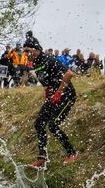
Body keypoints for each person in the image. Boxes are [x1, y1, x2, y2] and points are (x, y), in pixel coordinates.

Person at [22, 35, 79, 169]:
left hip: (67, 95)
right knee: (39, 123)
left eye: (27, 51)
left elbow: (69, 74)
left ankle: (72, 153)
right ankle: (42, 158)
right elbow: (48, 82)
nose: (25, 54)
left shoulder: (49, 59)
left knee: (53, 125)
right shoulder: (35, 63)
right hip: (54, 96)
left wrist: (58, 92)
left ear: (36, 49)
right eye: (24, 51)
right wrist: (48, 93)